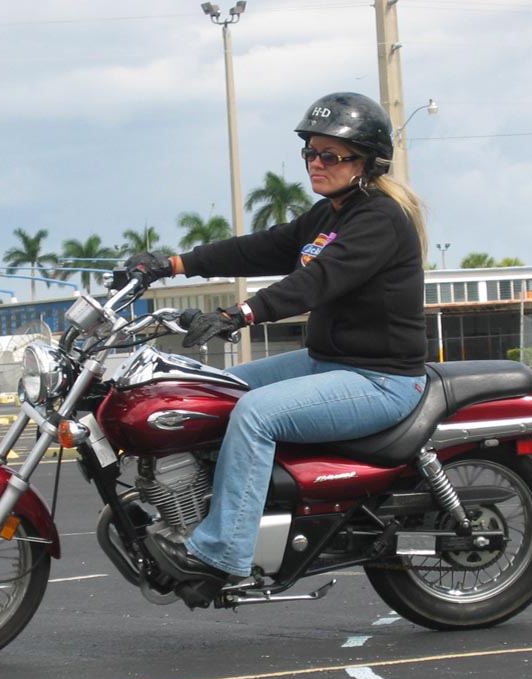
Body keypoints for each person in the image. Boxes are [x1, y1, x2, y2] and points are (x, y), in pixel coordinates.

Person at [125, 91, 429, 596]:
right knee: (214, 390)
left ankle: (222, 554)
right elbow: (262, 247)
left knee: (255, 414)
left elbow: (318, 281)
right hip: (328, 362)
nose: (316, 163)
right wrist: (172, 264)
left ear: (367, 163)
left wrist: (238, 314)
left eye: (331, 155)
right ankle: (207, 513)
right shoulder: (329, 213)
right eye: (310, 152)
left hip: (381, 379)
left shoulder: (380, 219)